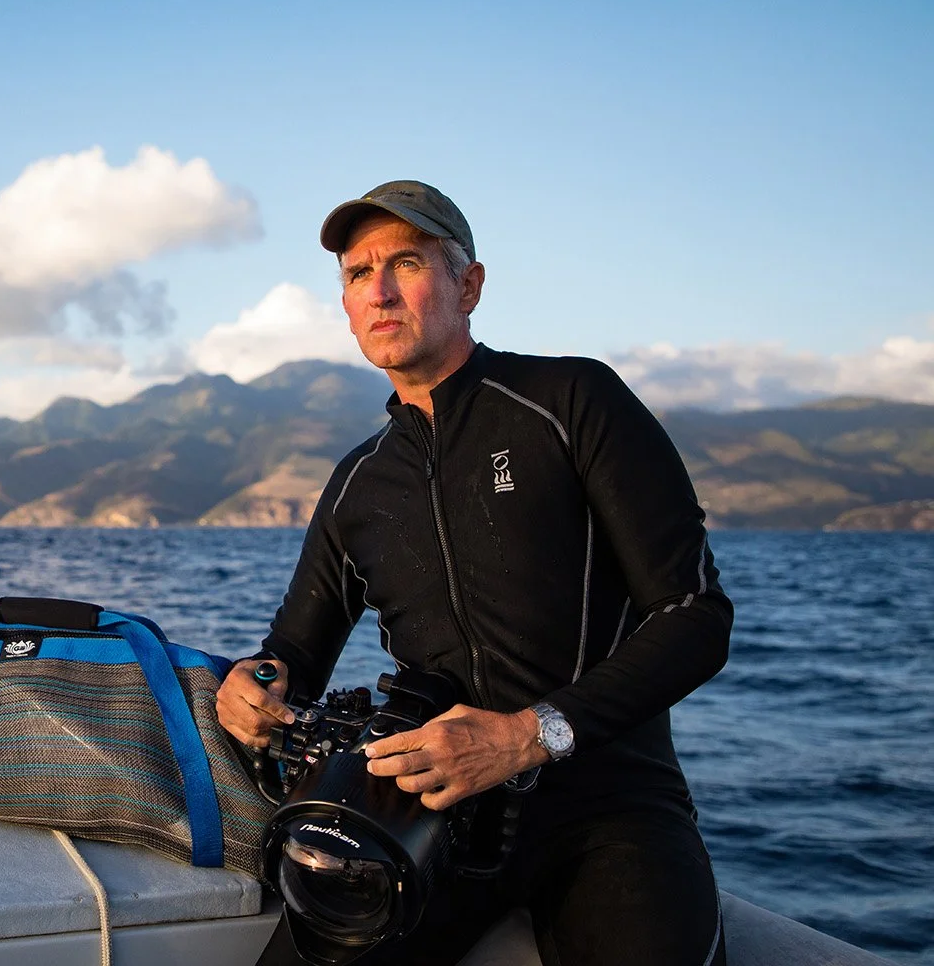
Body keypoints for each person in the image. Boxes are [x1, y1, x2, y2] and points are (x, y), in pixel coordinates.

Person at [216, 180, 732, 966]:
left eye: (408, 263)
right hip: (427, 814)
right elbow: (293, 652)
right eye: (358, 274)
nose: (380, 290)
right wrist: (253, 686)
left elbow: (695, 615)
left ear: (469, 284)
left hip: (612, 805)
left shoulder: (570, 400)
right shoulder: (358, 483)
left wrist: (527, 736)